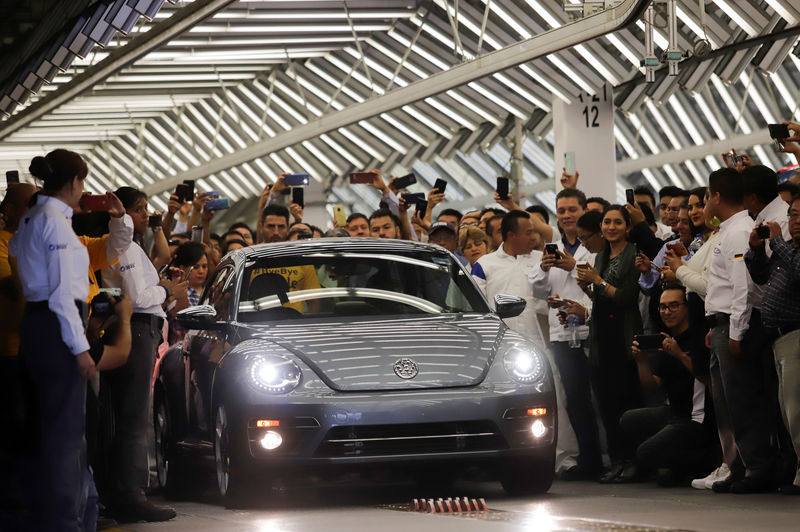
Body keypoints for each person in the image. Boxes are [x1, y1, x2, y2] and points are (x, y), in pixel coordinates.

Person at [9, 149, 97, 531]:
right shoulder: (55, 223)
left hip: (33, 322)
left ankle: (42, 518)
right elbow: (63, 295)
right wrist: (80, 349)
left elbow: (14, 251)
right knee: (65, 434)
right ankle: (66, 523)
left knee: (40, 429)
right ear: (76, 182)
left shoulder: (30, 218)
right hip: (58, 324)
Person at [472, 210, 580, 474]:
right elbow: (477, 307)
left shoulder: (542, 260)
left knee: (556, 400)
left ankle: (565, 460)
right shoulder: (484, 265)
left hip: (541, 342)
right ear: (511, 235)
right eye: (529, 231)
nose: (534, 236)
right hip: (501, 350)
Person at [101, 186, 183, 522]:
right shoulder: (124, 248)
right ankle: (132, 494)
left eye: (146, 207)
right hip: (135, 327)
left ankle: (122, 491)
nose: (145, 214)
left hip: (134, 328)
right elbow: (136, 294)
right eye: (138, 209)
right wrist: (166, 290)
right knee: (133, 417)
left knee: (124, 416)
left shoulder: (131, 247)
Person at [704, 167, 774, 494]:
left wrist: (735, 331)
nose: (705, 203)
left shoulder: (738, 230)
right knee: (726, 404)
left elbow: (742, 286)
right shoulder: (729, 229)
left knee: (743, 400)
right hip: (721, 323)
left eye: (706, 196)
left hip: (738, 325)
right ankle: (738, 465)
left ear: (716, 196)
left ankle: (758, 468)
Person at [531, 188, 603, 480]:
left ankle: (613, 456)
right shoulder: (551, 249)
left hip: (592, 330)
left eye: (572, 210)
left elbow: (601, 280)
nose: (566, 216)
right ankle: (589, 458)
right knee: (575, 399)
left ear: (584, 211)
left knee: (601, 396)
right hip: (563, 334)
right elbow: (536, 290)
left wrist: (573, 267)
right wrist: (542, 268)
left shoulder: (596, 248)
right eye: (561, 211)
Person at [621, 285, 718, 486]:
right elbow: (652, 385)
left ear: (687, 307)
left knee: (645, 453)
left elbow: (710, 379)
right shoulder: (667, 339)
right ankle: (674, 466)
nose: (667, 311)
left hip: (697, 418)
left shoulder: (700, 337)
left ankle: (702, 463)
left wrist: (680, 355)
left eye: (674, 306)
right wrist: (642, 362)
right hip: (673, 413)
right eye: (663, 307)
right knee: (629, 420)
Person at [575, 205, 644, 483]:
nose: (611, 227)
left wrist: (598, 282)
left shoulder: (632, 254)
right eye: (606, 222)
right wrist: (588, 288)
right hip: (603, 336)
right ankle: (616, 459)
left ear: (627, 227)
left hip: (623, 337)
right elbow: (603, 298)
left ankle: (632, 460)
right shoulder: (602, 254)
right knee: (606, 404)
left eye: (617, 222)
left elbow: (627, 297)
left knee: (625, 402)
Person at [745, 196, 800, 495]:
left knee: (797, 412)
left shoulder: (790, 249)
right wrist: (756, 249)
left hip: (796, 335)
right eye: (793, 215)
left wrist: (777, 243)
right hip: (778, 338)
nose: (796, 221)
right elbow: (761, 275)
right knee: (786, 411)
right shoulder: (788, 248)